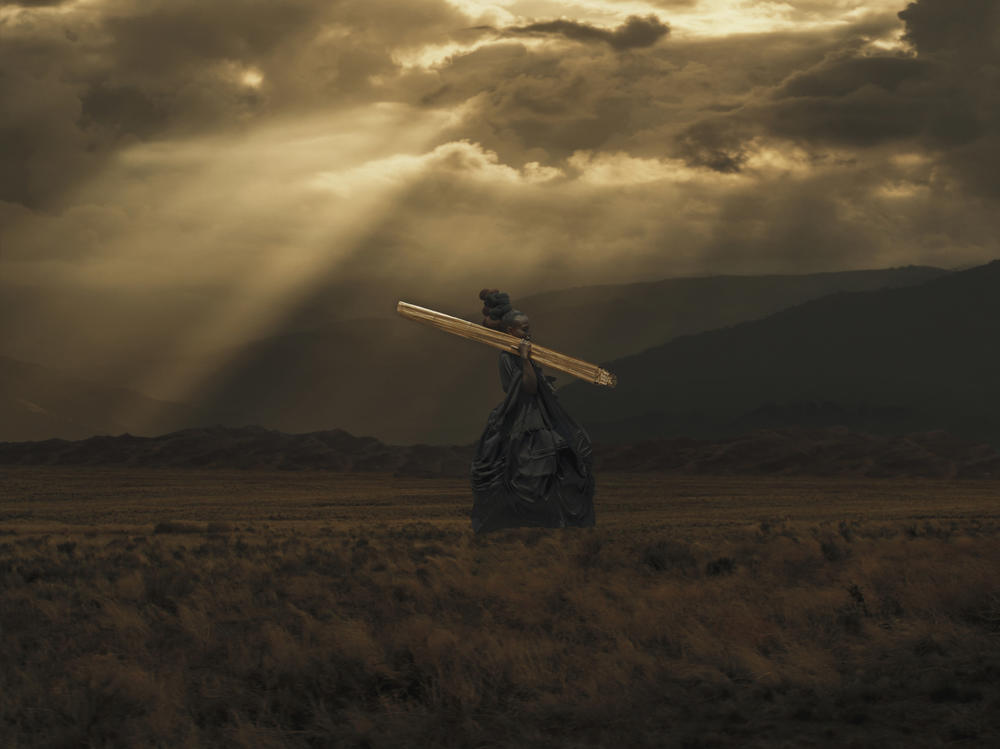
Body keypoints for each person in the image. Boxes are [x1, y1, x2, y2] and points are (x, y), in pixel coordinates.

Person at [470, 288, 596, 534]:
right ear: (510, 332)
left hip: (543, 413)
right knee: (531, 464)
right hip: (525, 416)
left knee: (569, 455)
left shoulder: (523, 352)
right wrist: (526, 359)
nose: (529, 332)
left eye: (529, 327)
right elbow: (527, 386)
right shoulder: (509, 357)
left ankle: (560, 521)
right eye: (524, 329)